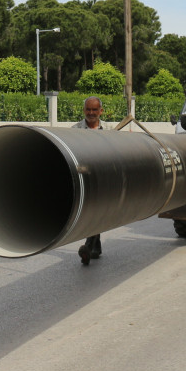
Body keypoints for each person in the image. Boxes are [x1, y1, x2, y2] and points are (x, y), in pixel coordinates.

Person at [72, 96, 106, 265]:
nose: (91, 113)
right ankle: (95, 247)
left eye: (95, 110)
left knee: (96, 211)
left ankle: (89, 245)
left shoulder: (110, 131)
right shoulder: (75, 130)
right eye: (88, 109)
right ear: (84, 110)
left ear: (101, 111)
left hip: (102, 179)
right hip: (84, 179)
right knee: (91, 212)